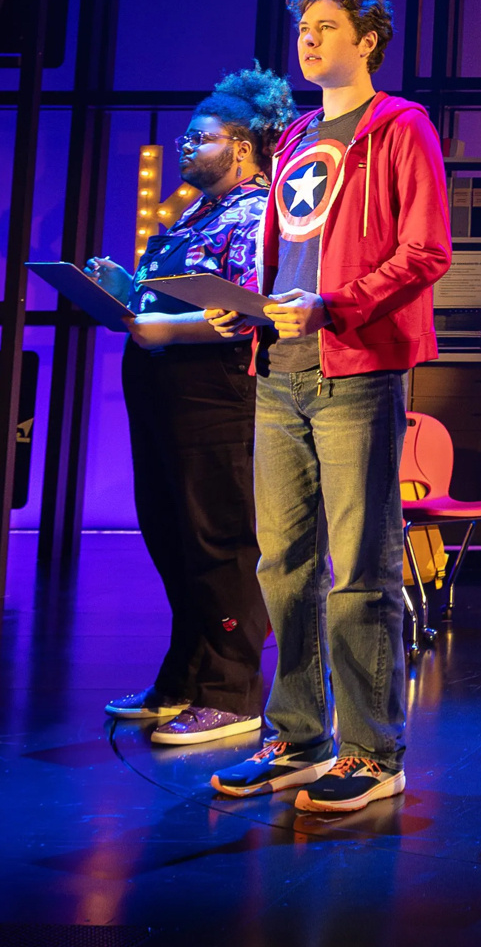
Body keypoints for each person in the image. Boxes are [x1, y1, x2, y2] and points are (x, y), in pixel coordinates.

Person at [205, 0, 450, 815]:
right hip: (278, 367)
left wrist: (333, 305)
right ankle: (299, 737)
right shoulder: (298, 135)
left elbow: (426, 251)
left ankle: (374, 751)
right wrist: (253, 311)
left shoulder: (401, 126)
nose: (308, 41)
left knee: (362, 570)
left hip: (356, 368)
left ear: (367, 39)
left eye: (325, 28)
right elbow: (288, 258)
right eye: (302, 29)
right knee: (283, 563)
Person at [93, 68, 293, 746]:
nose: (184, 146)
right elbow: (175, 297)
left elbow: (245, 314)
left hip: (214, 392)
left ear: (241, 147)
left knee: (218, 541)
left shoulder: (255, 211)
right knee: (171, 534)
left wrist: (167, 329)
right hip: (163, 390)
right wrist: (128, 291)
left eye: (199, 137)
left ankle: (232, 692)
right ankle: (183, 675)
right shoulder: (193, 213)